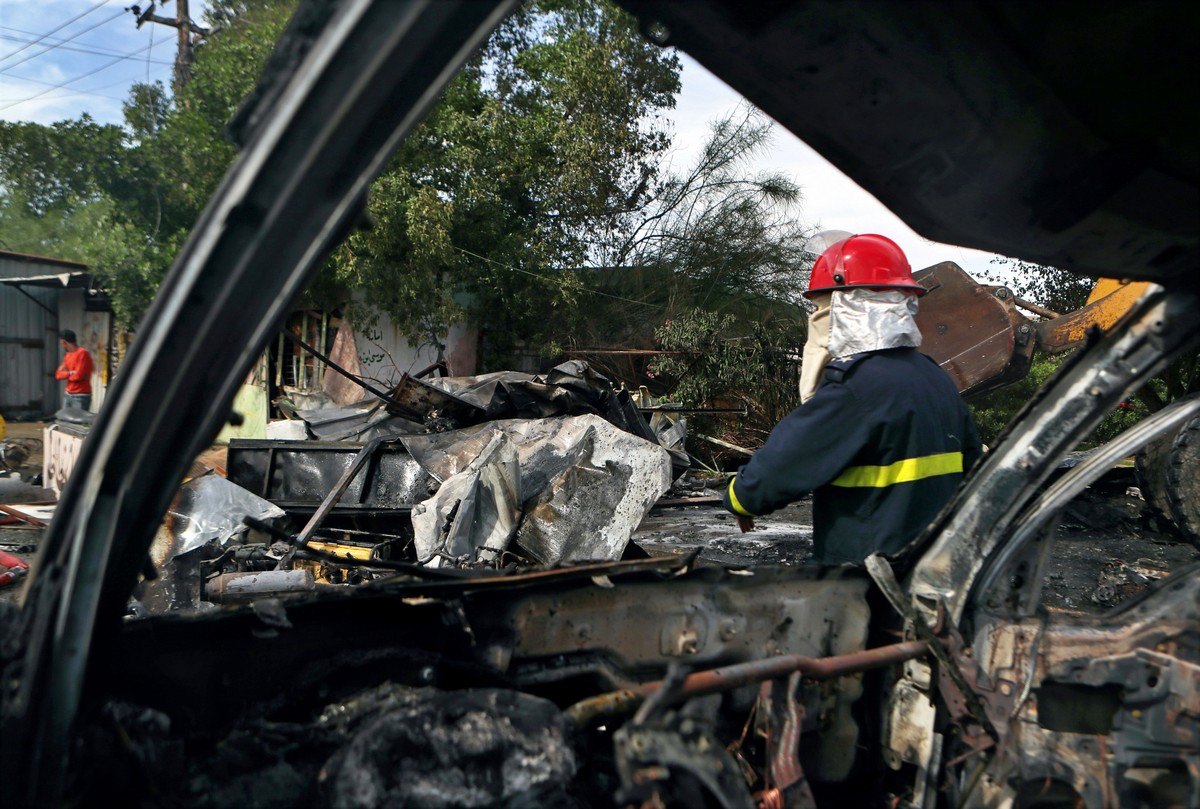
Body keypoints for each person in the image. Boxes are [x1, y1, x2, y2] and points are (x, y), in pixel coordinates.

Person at [723, 232, 982, 565]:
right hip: (933, 564)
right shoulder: (933, 376)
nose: (816, 319)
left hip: (867, 575)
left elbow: (788, 459)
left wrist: (740, 498)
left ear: (848, 308)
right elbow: (972, 463)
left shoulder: (856, 387)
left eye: (820, 308)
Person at [55, 329, 94, 411]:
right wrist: (70, 373)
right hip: (68, 394)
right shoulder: (68, 355)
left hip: (80, 395)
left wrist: (66, 374)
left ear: (63, 342)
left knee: (78, 422)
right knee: (65, 421)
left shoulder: (82, 353)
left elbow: (78, 376)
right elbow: (58, 375)